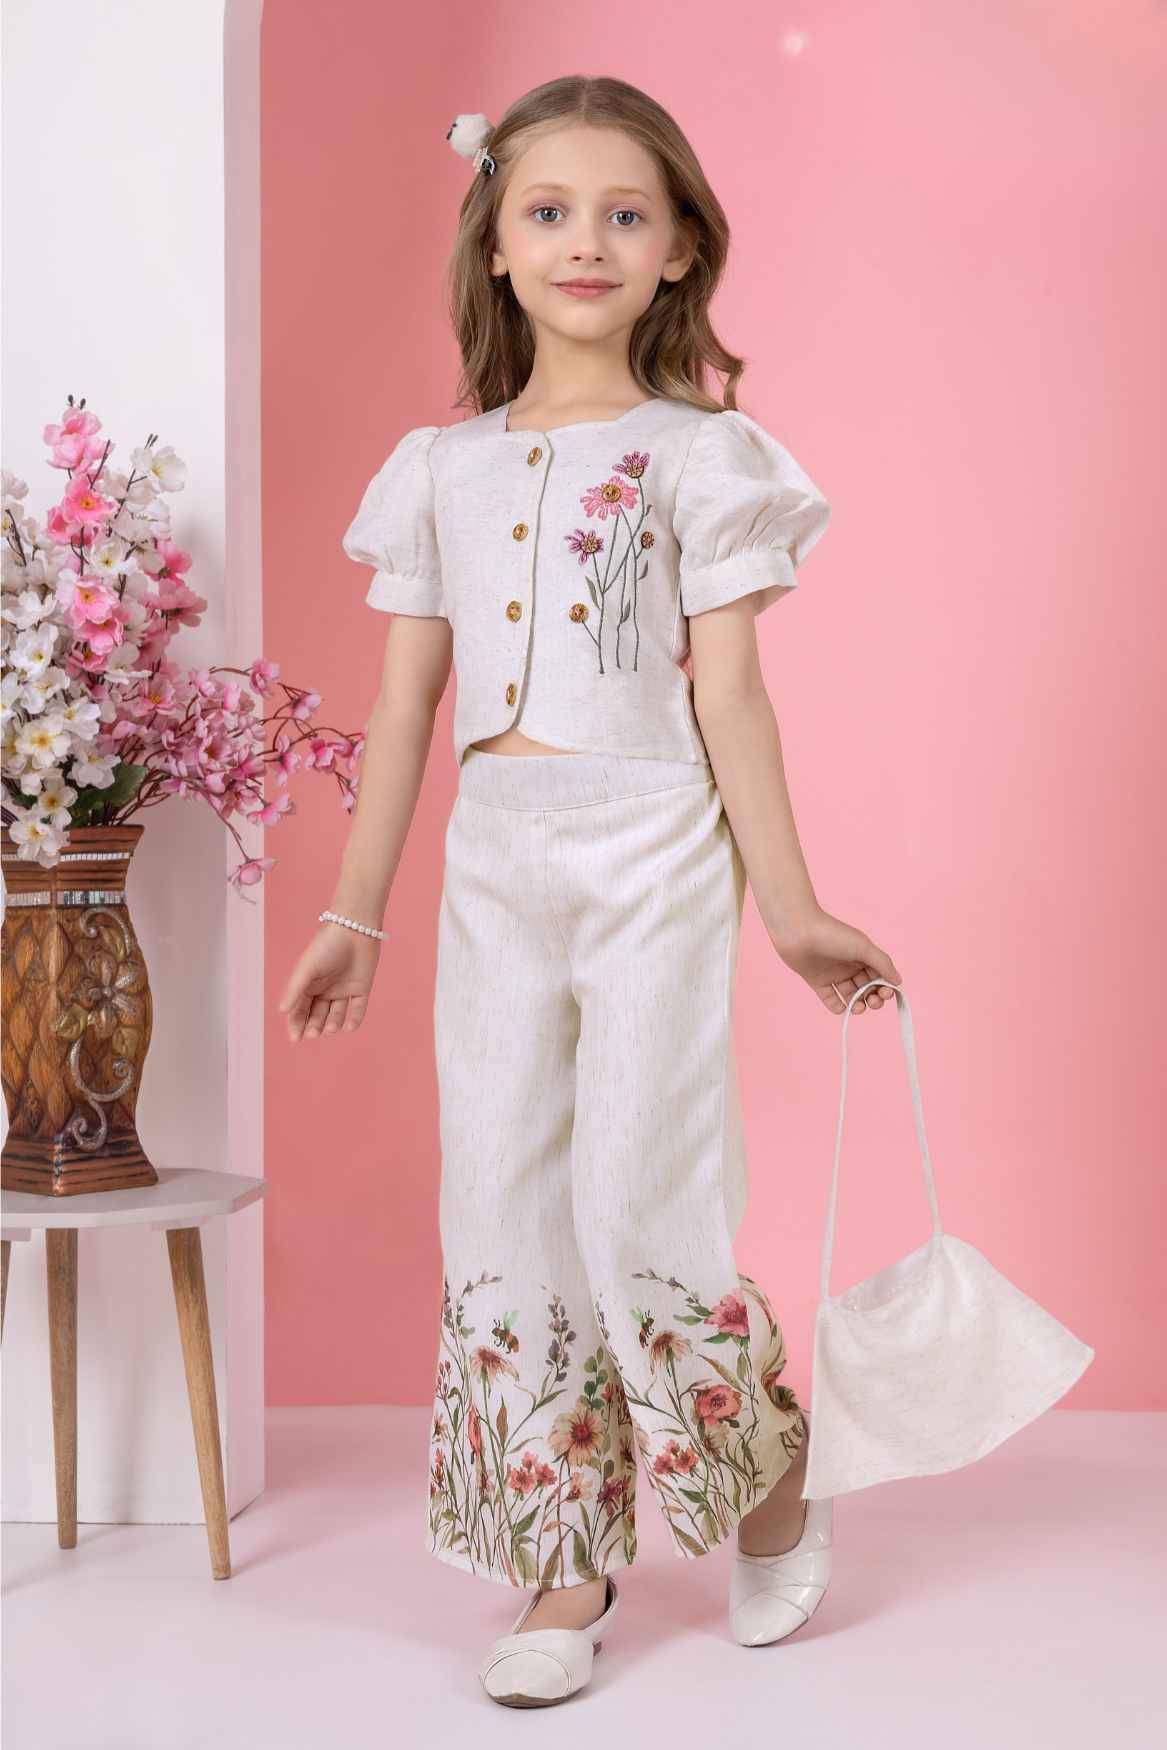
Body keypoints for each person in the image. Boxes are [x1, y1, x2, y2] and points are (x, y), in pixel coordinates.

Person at [279, 75, 902, 1708]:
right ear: (493, 241)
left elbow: (731, 694)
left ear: (680, 245)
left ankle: (764, 1462)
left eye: (627, 213)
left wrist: (792, 907)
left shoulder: (704, 454)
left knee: (640, 1192)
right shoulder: (440, 468)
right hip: (498, 857)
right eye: (548, 210)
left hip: (655, 846)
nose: (586, 241)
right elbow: (405, 706)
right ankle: (564, 1552)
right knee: (498, 1198)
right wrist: (354, 912)